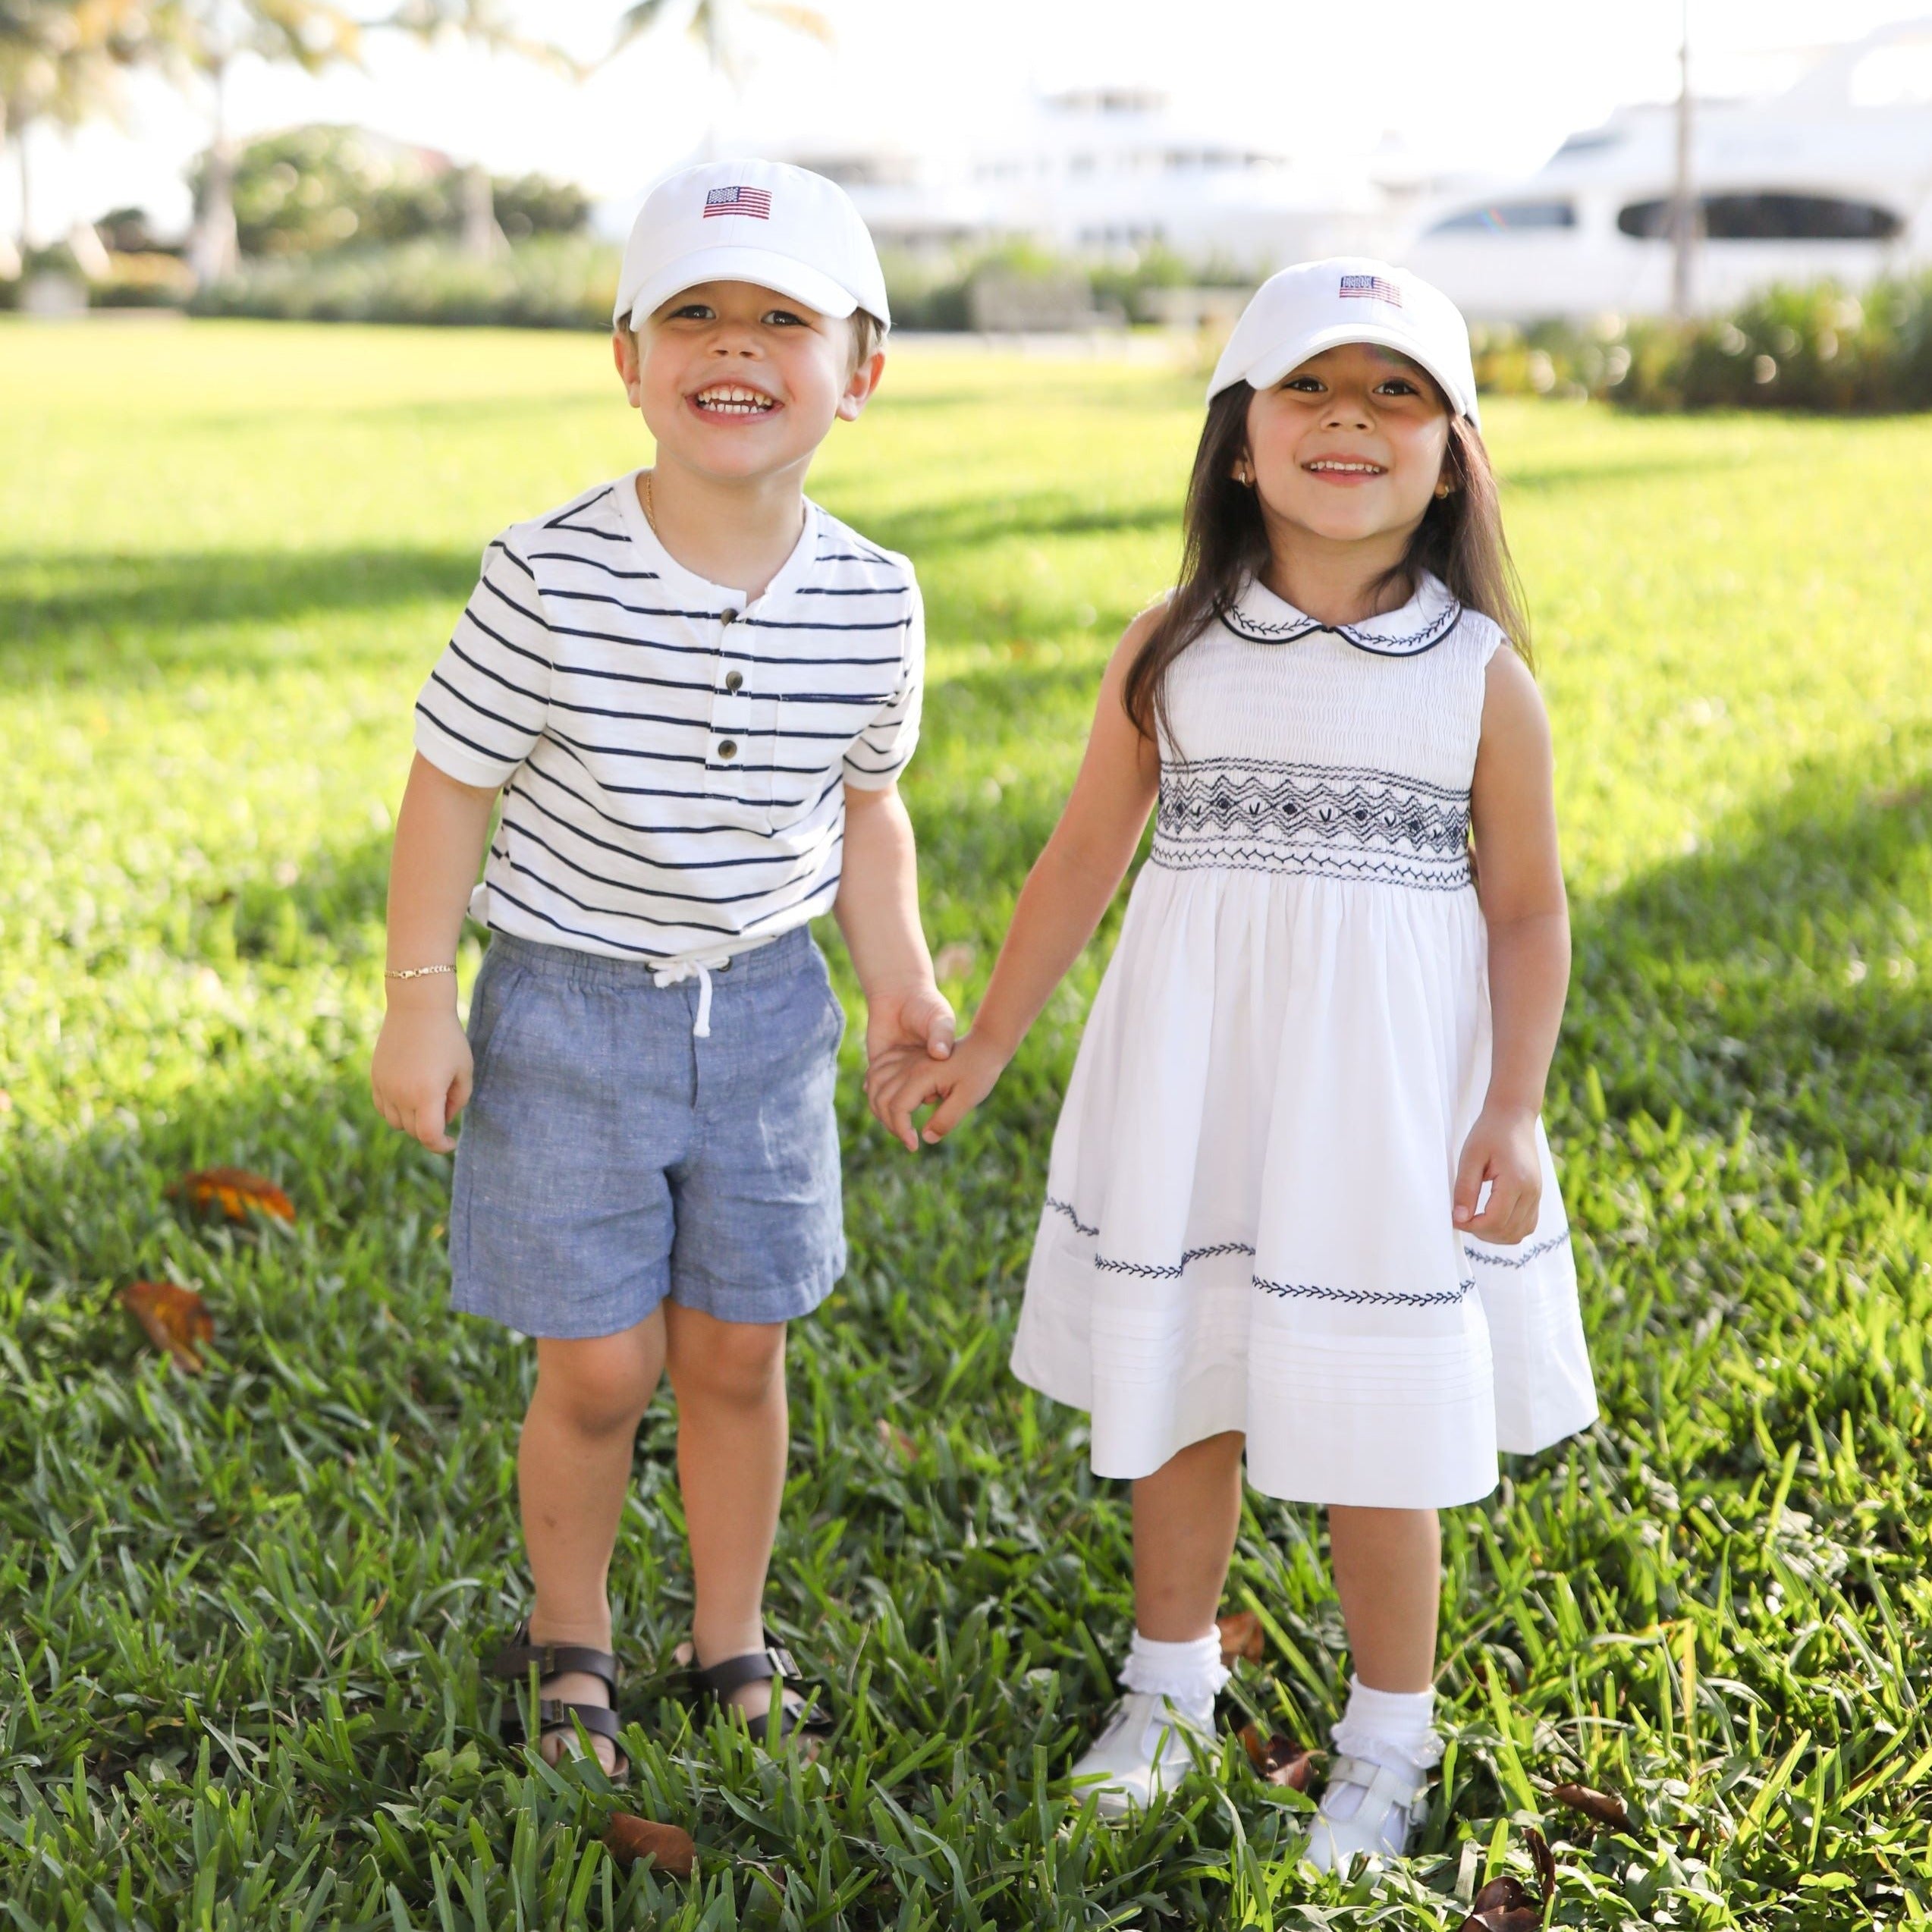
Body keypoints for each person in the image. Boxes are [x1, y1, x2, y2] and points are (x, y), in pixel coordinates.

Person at [874, 259, 1597, 1862]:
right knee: (1185, 1377)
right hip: (1192, 1079)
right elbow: (1075, 861)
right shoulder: (1170, 646)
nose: (1350, 417)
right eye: (1308, 388)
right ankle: (1168, 1679)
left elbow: (1530, 910)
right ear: (1234, 443)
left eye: (1394, 392)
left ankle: (1387, 1732)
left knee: (1377, 1418)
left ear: (1452, 454)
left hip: (1380, 1107)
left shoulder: (1479, 676)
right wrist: (988, 1038)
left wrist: (1514, 1105)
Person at [371, 160, 953, 1774]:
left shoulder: (874, 597)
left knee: (736, 1347)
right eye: (692, 311)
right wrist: (420, 997)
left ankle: (727, 1634)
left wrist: (896, 972)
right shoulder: (544, 571)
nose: (736, 347)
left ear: (862, 368)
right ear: (626, 357)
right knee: (602, 1360)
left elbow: (866, 805)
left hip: (766, 1015)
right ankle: (573, 1638)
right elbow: (450, 782)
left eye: (784, 318)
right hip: (569, 1006)